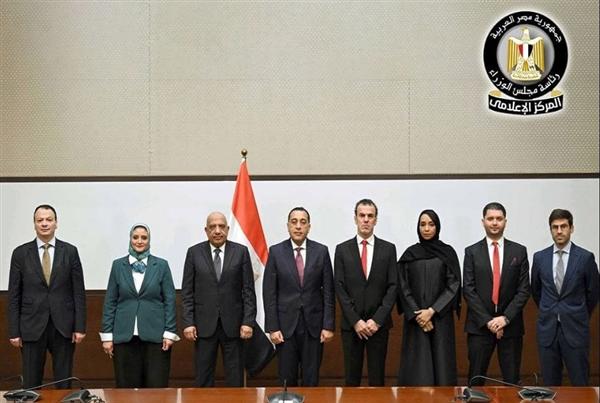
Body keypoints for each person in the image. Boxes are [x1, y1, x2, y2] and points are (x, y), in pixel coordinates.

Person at [7, 204, 86, 389]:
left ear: (56, 223)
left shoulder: (70, 251)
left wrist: (80, 327)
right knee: (31, 383)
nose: (44, 224)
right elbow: (14, 295)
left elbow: (78, 292)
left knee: (64, 382)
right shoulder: (20, 253)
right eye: (40, 220)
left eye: (49, 220)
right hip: (31, 326)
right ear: (34, 224)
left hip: (63, 326)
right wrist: (14, 331)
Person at [181, 212, 256, 387]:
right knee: (203, 377)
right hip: (203, 326)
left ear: (227, 229)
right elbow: (187, 291)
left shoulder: (240, 252)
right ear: (206, 230)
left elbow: (248, 291)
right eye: (212, 227)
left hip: (234, 326)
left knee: (235, 378)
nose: (217, 231)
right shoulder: (194, 253)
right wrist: (188, 322)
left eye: (221, 226)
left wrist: (248, 322)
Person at [100, 223, 179, 388]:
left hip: (156, 336)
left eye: (144, 237)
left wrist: (169, 332)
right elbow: (110, 301)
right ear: (130, 239)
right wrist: (107, 336)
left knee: (156, 388)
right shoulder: (117, 265)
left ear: (149, 240)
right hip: (124, 336)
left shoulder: (161, 265)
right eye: (135, 237)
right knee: (126, 389)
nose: (139, 241)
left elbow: (170, 300)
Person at [263, 207, 335, 386]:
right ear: (288, 226)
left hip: (314, 327)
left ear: (309, 227)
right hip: (285, 328)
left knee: (311, 380)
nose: (298, 226)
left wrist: (328, 325)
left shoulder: (321, 251)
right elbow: (269, 293)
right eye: (294, 222)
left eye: (303, 222)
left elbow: (328, 291)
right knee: (287, 380)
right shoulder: (276, 252)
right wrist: (272, 327)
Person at [462, 202, 530, 386]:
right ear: (483, 221)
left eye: (499, 219)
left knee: (512, 382)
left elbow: (524, 289)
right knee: (475, 382)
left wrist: (504, 319)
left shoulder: (519, 251)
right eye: (490, 218)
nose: (494, 223)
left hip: (511, 326)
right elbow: (468, 289)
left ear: (505, 222)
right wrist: (489, 321)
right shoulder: (471, 252)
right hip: (479, 327)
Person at [531, 209, 599, 386]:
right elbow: (536, 291)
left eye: (563, 226)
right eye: (555, 227)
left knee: (580, 384)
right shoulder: (539, 258)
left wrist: (578, 312)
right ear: (550, 229)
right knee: (550, 386)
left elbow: (593, 292)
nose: (559, 231)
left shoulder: (585, 257)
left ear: (571, 228)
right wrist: (551, 310)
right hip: (548, 331)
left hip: (576, 329)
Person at [334, 199, 398, 386]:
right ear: (355, 218)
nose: (366, 220)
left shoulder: (388, 249)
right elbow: (340, 287)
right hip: (352, 326)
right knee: (351, 380)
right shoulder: (342, 249)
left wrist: (376, 320)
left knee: (377, 380)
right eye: (362, 215)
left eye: (370, 216)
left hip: (378, 326)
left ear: (376, 220)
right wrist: (356, 321)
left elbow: (393, 286)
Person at [397, 209, 461, 386]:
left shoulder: (447, 253)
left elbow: (453, 285)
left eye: (431, 224)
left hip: (440, 319)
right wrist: (419, 315)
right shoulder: (409, 254)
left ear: (437, 227)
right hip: (416, 321)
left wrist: (432, 311)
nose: (426, 229)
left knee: (442, 369)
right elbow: (402, 287)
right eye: (422, 224)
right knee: (418, 371)